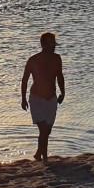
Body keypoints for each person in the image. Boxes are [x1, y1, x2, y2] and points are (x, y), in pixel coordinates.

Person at [20, 32, 65, 161]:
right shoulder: (33, 59)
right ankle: (44, 157)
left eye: (54, 44)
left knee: (47, 131)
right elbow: (25, 80)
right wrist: (23, 99)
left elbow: (60, 77)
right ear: (43, 45)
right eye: (51, 44)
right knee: (44, 130)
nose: (54, 47)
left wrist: (63, 93)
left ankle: (38, 153)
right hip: (37, 98)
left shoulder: (57, 58)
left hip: (51, 98)